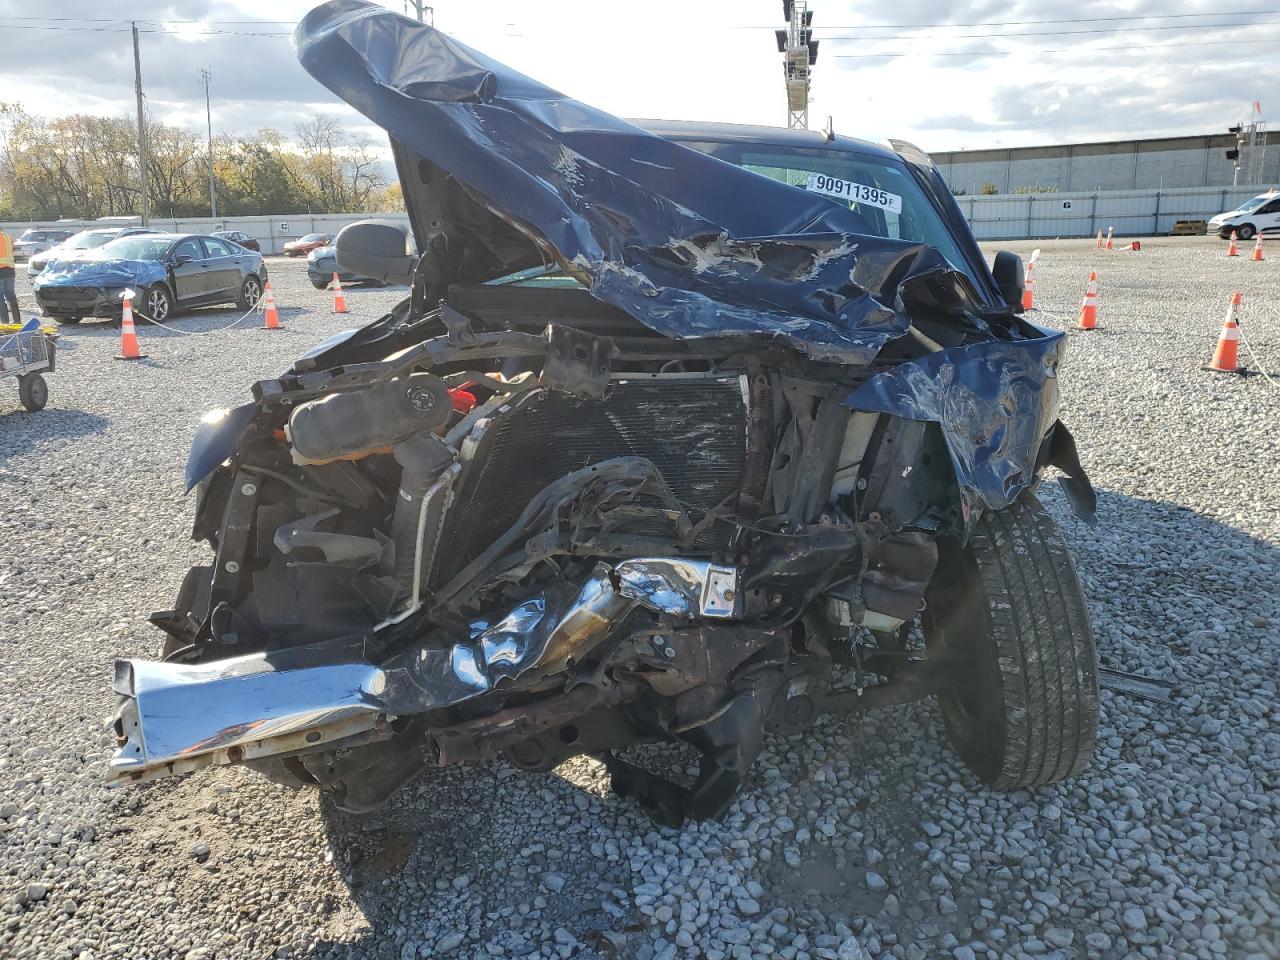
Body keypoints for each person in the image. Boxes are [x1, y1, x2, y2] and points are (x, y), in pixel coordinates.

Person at [0, 226, 19, 325]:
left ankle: (5, 323)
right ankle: (17, 321)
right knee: (11, 297)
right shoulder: (7, 236)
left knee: (0, 300)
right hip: (10, 271)